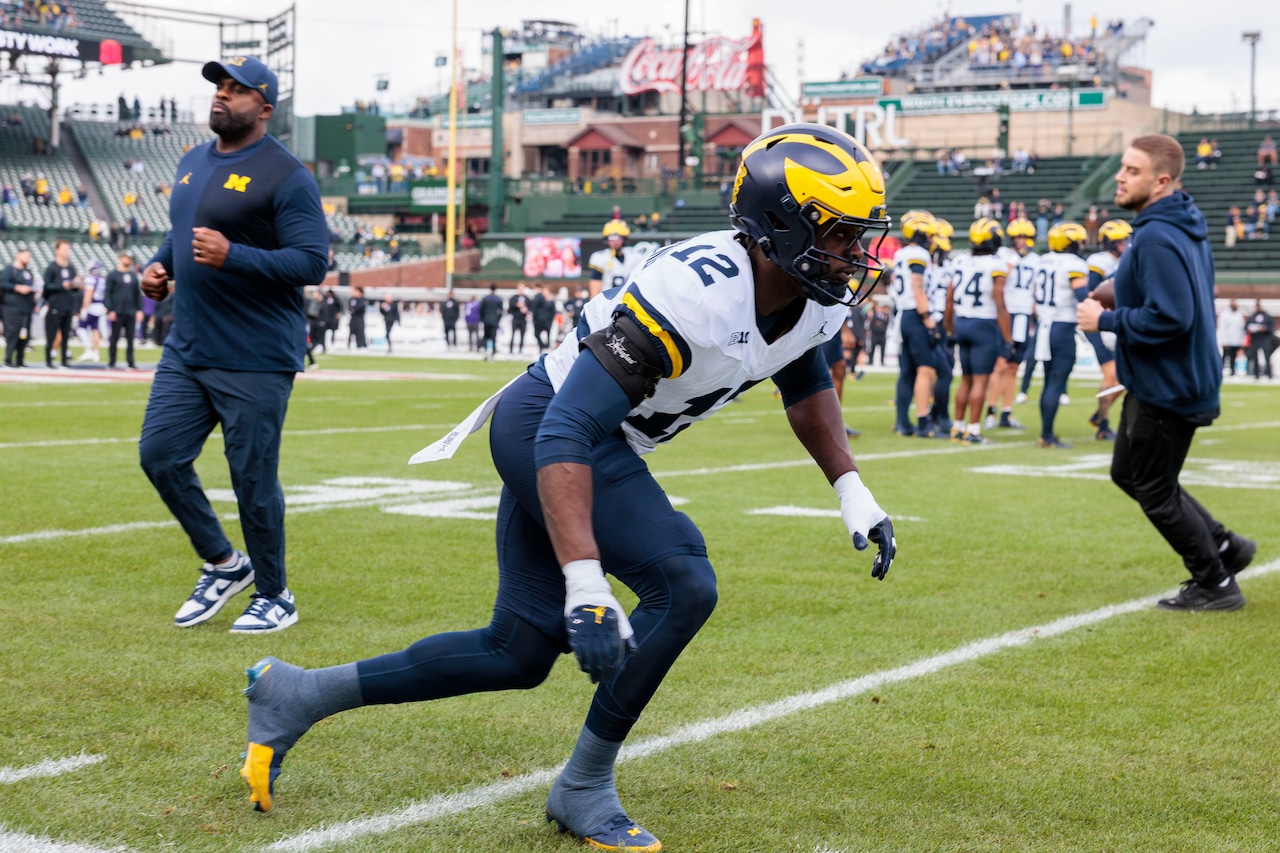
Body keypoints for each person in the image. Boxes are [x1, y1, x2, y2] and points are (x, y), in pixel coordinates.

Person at [237, 124, 898, 850]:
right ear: (775, 226)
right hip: (548, 426)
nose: (853, 254)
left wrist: (850, 489)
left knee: (515, 651)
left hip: (586, 436)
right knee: (684, 579)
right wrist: (587, 585)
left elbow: (803, 379)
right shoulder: (696, 292)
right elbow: (565, 428)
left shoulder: (815, 295)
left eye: (856, 235)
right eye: (837, 233)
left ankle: (297, 692)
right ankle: (583, 785)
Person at [136, 54, 329, 632]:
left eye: (238, 90)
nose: (222, 95)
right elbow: (182, 233)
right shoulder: (193, 160)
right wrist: (157, 267)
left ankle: (275, 594)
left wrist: (233, 255)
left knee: (252, 479)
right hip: (188, 347)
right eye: (219, 86)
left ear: (264, 109)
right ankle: (223, 562)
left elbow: (312, 261)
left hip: (255, 356)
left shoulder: (286, 174)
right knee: (159, 456)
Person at [1078, 134, 1255, 612]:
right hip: (1163, 377)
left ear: (1160, 181)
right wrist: (1118, 289)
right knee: (1128, 473)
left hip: (1168, 383)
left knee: (1155, 490)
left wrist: (1106, 320)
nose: (1119, 176)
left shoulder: (1156, 233)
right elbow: (1164, 285)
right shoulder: (1171, 222)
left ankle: (1215, 583)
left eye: (1132, 171)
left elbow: (1172, 315)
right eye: (1122, 167)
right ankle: (1225, 547)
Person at [944, 218, 1010, 444]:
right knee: (980, 381)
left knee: (966, 380)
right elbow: (1000, 304)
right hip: (983, 325)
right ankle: (972, 430)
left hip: (962, 322)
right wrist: (1008, 339)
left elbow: (950, 299)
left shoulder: (960, 260)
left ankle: (957, 427)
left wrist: (949, 329)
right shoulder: (996, 264)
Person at [1032, 222, 1089, 448]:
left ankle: (1046, 432)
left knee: (1049, 382)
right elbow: (1082, 294)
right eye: (1079, 241)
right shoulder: (1073, 264)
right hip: (1062, 326)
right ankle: (1047, 434)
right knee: (1057, 382)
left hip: (1044, 326)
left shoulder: (1042, 260)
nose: (1082, 245)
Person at [888, 210, 942, 438]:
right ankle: (922, 423)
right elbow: (917, 286)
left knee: (907, 371)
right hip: (915, 315)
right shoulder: (918, 253)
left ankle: (902, 422)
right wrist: (928, 320)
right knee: (926, 369)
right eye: (928, 235)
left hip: (903, 315)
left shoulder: (901, 253)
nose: (931, 240)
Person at [1081, 220, 1133, 439]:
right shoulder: (1099, 261)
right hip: (1099, 323)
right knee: (1112, 374)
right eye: (1120, 241)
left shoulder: (1128, 260)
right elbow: (1092, 293)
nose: (1125, 244)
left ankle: (1099, 415)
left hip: (1115, 321)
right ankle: (1103, 424)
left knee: (1125, 377)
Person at [42, 239, 83, 368]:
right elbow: (47, 286)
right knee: (51, 334)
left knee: (66, 335)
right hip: (55, 305)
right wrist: (61, 286)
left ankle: (64, 360)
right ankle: (49, 360)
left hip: (68, 305)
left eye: (68, 249)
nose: (67, 252)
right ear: (57, 250)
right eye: (65, 249)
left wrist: (77, 284)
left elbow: (74, 287)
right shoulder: (52, 267)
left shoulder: (71, 267)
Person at [104, 252, 141, 369]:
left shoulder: (133, 276)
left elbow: (137, 294)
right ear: (120, 258)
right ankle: (112, 361)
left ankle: (131, 362)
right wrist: (110, 310)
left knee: (130, 339)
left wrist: (139, 309)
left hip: (130, 311)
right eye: (127, 258)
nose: (129, 260)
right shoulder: (113, 275)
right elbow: (108, 294)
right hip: (117, 311)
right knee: (114, 338)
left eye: (130, 259)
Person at [587, 220, 641, 299]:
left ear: (624, 239)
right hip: (607, 301)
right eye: (612, 238)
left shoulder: (634, 256)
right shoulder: (600, 257)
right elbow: (595, 286)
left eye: (618, 238)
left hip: (629, 302)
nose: (615, 241)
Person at [2, 247, 36, 368]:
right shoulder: (10, 270)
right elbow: (2, 283)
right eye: (26, 256)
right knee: (12, 334)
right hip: (12, 308)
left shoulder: (27, 272)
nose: (28, 259)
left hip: (25, 308)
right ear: (18, 255)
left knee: (24, 335)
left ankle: (20, 360)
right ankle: (8, 359)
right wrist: (17, 287)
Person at [1245, 300, 1276, 379]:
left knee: (1267, 356)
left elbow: (1272, 326)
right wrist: (1250, 329)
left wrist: (1265, 329)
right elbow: (1246, 326)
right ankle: (1256, 374)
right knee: (1254, 357)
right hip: (1255, 338)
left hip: (1265, 338)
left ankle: (1269, 373)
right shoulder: (1252, 316)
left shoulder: (1267, 316)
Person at [479, 283, 504, 360]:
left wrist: (483, 319)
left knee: (486, 336)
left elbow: (481, 310)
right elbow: (501, 311)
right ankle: (492, 352)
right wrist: (498, 319)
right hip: (494, 321)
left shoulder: (485, 298)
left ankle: (486, 351)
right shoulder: (498, 299)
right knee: (493, 337)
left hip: (486, 320)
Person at [532, 283, 557, 353]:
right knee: (536, 334)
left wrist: (550, 321)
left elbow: (553, 312)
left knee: (548, 335)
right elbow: (535, 308)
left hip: (547, 321)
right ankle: (542, 346)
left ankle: (547, 347)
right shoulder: (540, 299)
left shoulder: (551, 301)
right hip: (539, 320)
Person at [508, 282, 531, 354]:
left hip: (523, 319)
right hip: (515, 318)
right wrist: (516, 305)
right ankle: (511, 351)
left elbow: (531, 308)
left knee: (522, 335)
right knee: (512, 335)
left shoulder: (527, 299)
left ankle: (520, 351)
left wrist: (526, 310)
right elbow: (510, 309)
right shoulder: (514, 298)